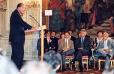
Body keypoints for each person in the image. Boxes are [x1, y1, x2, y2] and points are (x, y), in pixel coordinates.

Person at [9, 3, 35, 69]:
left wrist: (29, 28)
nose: (24, 9)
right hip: (16, 39)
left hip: (17, 39)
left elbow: (20, 26)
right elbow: (22, 23)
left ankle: (15, 69)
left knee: (17, 55)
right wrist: (31, 27)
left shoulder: (16, 15)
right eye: (23, 7)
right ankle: (16, 70)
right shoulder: (15, 14)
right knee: (18, 55)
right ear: (18, 8)